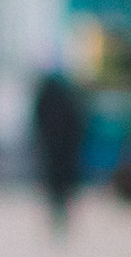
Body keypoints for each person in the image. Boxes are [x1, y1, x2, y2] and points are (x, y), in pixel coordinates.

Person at [31, 65, 89, 235]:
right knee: (63, 181)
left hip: (53, 147)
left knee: (55, 181)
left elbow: (37, 118)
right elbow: (79, 120)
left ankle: (58, 213)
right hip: (64, 148)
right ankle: (61, 213)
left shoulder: (46, 96)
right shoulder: (70, 96)